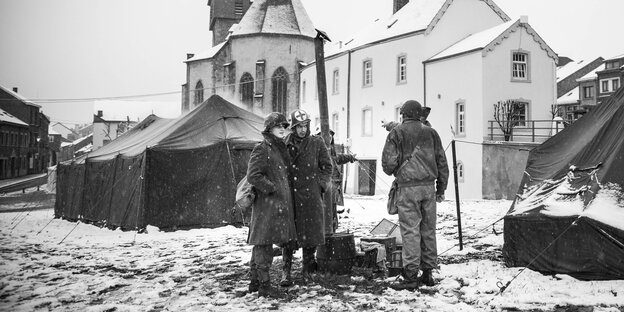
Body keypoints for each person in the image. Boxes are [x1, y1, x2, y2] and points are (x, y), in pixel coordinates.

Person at [381, 100, 449, 290]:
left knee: (410, 231)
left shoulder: (397, 133)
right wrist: (441, 188)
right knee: (428, 230)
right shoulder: (431, 132)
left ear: (403, 114)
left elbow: (388, 165)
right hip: (428, 189)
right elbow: (442, 162)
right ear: (419, 114)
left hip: (408, 188)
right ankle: (428, 272)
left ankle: (410, 275)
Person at [246, 112, 297, 298]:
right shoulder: (263, 148)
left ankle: (254, 282)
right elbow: (254, 175)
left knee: (261, 243)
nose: (283, 129)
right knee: (263, 244)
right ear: (269, 129)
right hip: (266, 206)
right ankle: (264, 286)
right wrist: (272, 188)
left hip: (275, 206)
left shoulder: (277, 147)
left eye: (284, 126)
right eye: (278, 126)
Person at [281, 109, 332, 286]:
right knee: (289, 235)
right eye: (299, 127)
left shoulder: (316, 143)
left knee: (310, 235)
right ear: (293, 128)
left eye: (305, 126)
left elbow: (327, 167)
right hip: (291, 195)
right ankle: (285, 271)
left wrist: (321, 185)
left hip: (311, 195)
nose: (302, 130)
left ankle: (307, 271)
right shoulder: (284, 143)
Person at [314, 126, 357, 232]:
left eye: (330, 135)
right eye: (325, 135)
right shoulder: (316, 152)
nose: (328, 138)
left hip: (332, 191)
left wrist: (350, 157)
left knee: (332, 214)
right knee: (322, 216)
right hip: (321, 191)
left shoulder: (330, 152)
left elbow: (338, 157)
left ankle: (331, 231)